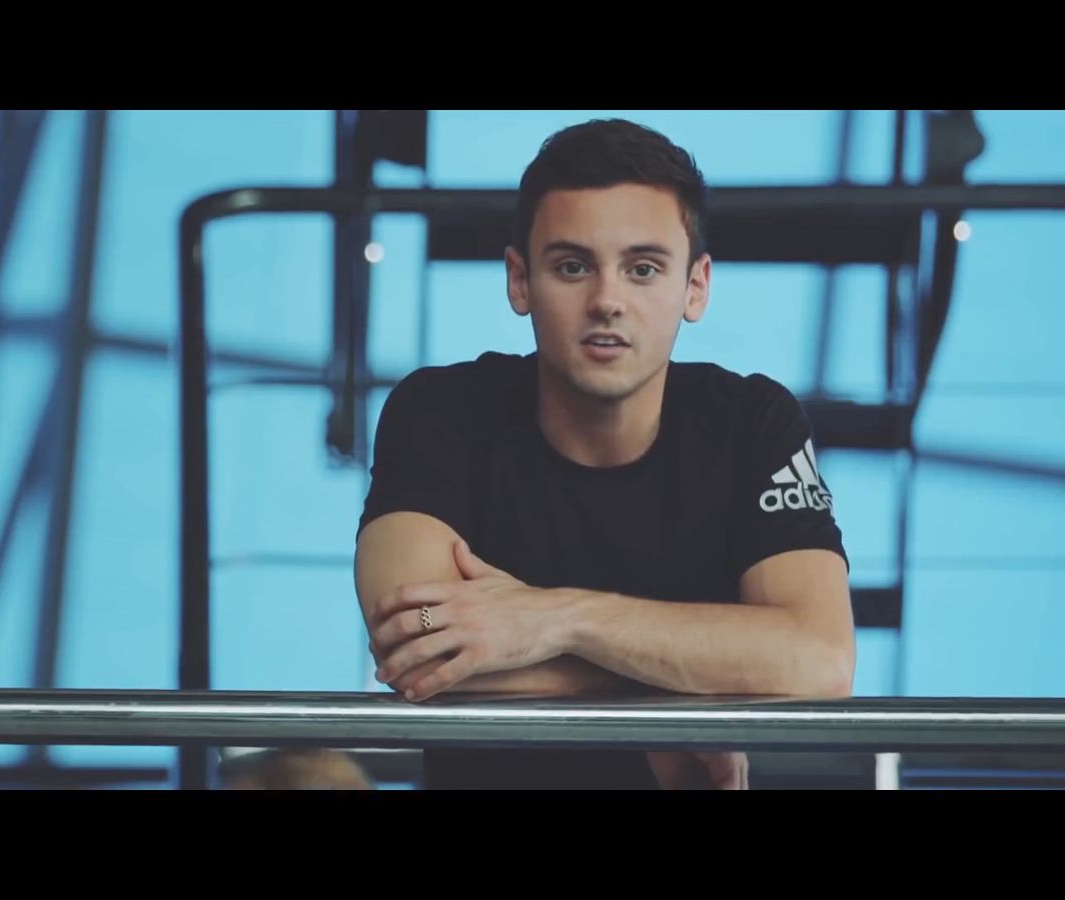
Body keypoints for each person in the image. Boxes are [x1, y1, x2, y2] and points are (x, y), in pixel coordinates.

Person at [353, 118, 856, 790]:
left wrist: (556, 619)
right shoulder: (440, 412)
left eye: (643, 268)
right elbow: (414, 645)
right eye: (571, 266)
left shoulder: (752, 423)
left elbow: (819, 661)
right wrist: (685, 687)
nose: (608, 301)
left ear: (695, 287)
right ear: (519, 280)